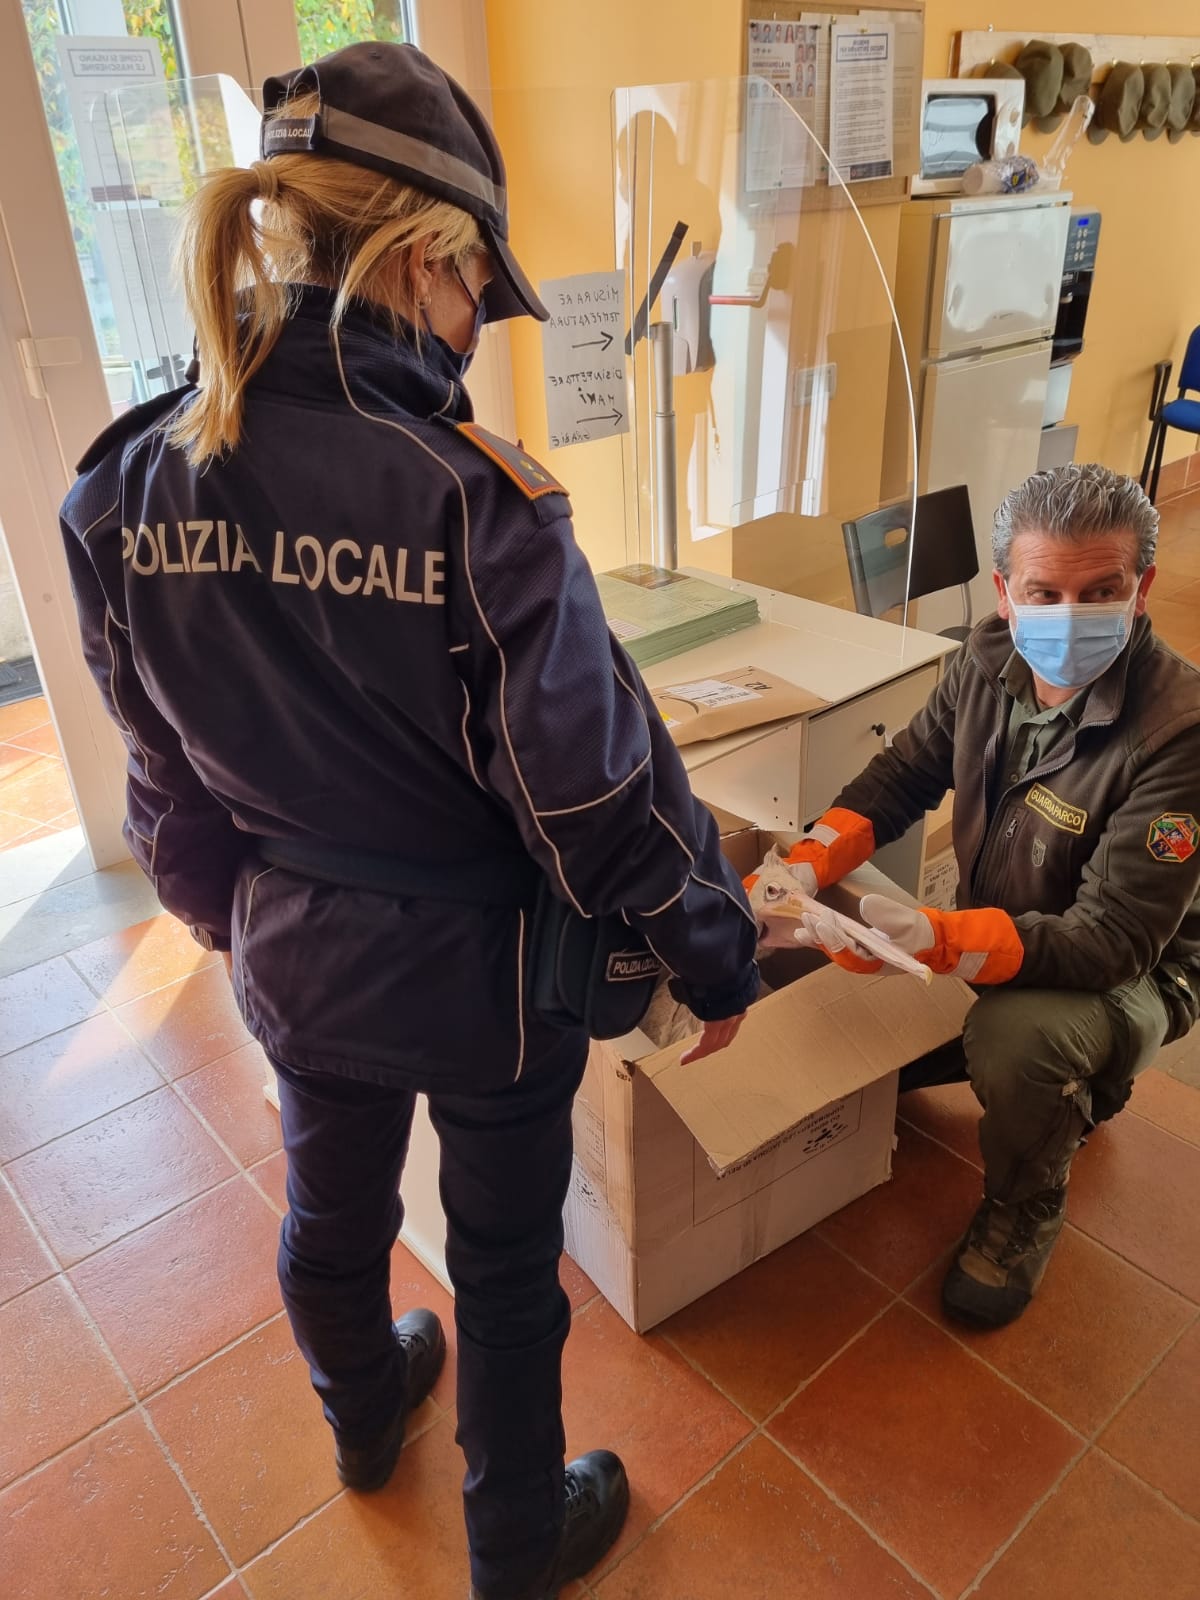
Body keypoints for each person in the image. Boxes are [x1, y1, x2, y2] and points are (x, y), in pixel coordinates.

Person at [58, 42, 758, 1600]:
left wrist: (222, 914)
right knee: (505, 1269)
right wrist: (710, 955)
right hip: (493, 983)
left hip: (295, 953)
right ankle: (513, 1545)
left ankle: (363, 1418)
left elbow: (158, 763)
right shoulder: (469, 494)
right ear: (430, 252)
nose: (470, 331)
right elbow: (585, 795)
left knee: (330, 1213)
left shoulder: (126, 482)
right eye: (471, 295)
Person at [753, 465, 1200, 1329]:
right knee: (881, 1051)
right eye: (1045, 591)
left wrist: (937, 941)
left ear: (1141, 587)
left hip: (1136, 972)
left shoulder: (1178, 730)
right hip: (1012, 924)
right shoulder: (988, 659)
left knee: (1012, 1039)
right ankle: (1062, 1086)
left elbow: (1113, 941)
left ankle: (1027, 1199)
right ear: (1006, 590)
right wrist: (808, 865)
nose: (1069, 616)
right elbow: (903, 774)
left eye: (1100, 591)